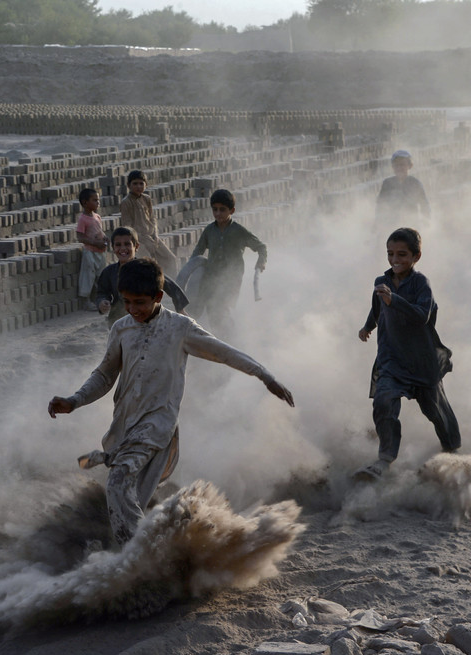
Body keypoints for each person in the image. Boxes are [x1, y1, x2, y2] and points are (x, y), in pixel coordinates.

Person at [48, 258, 294, 546]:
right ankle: (153, 551)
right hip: (125, 424)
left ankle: (136, 556)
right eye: (126, 302)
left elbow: (224, 352)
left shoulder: (180, 328)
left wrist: (264, 375)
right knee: (128, 496)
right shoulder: (121, 329)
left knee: (117, 482)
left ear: (158, 297)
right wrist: (74, 400)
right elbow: (104, 375)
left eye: (139, 302)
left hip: (158, 424)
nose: (132, 310)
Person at [356, 228, 460, 480]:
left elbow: (422, 315)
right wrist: (368, 326)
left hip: (420, 359)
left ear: (416, 256)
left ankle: (452, 452)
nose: (395, 260)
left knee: (435, 411)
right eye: (390, 254)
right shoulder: (381, 282)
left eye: (402, 254)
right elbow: (377, 308)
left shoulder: (421, 283)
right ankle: (384, 460)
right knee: (384, 400)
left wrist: (396, 301)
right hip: (391, 358)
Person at [188, 189, 267, 336]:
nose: (218, 213)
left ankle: (231, 340)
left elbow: (261, 247)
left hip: (231, 279)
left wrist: (261, 262)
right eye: (215, 209)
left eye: (222, 210)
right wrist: (189, 271)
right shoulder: (210, 230)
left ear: (232, 210)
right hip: (210, 277)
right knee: (204, 310)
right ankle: (220, 341)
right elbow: (197, 252)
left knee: (221, 309)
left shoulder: (238, 231)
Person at [95, 226, 190, 327]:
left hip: (145, 319)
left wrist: (180, 309)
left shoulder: (146, 269)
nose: (123, 248)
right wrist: (103, 302)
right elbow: (102, 292)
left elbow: (169, 285)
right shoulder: (109, 272)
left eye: (127, 244)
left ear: (136, 246)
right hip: (119, 321)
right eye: (118, 245)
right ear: (113, 248)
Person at [118, 169, 177, 276]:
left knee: (170, 259)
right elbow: (128, 228)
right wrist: (142, 238)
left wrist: (155, 234)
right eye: (135, 183)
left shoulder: (147, 199)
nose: (138, 186)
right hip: (138, 241)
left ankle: (171, 287)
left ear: (146, 185)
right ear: (128, 185)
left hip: (152, 237)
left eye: (141, 183)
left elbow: (153, 218)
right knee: (149, 266)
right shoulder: (126, 202)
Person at [375, 149, 431, 224]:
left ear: (410, 166)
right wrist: (378, 223)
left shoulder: (415, 184)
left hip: (411, 225)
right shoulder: (387, 184)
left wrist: (426, 221)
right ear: (392, 167)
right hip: (391, 225)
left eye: (402, 165)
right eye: (396, 165)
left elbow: (424, 205)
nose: (399, 168)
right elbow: (380, 205)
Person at [75, 187, 108, 311]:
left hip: (100, 252)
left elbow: (99, 231)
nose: (98, 202)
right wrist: (94, 243)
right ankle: (86, 301)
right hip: (90, 252)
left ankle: (98, 299)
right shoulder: (83, 219)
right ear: (85, 203)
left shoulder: (97, 217)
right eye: (94, 200)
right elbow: (80, 237)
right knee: (88, 276)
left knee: (101, 276)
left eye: (98, 200)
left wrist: (105, 238)